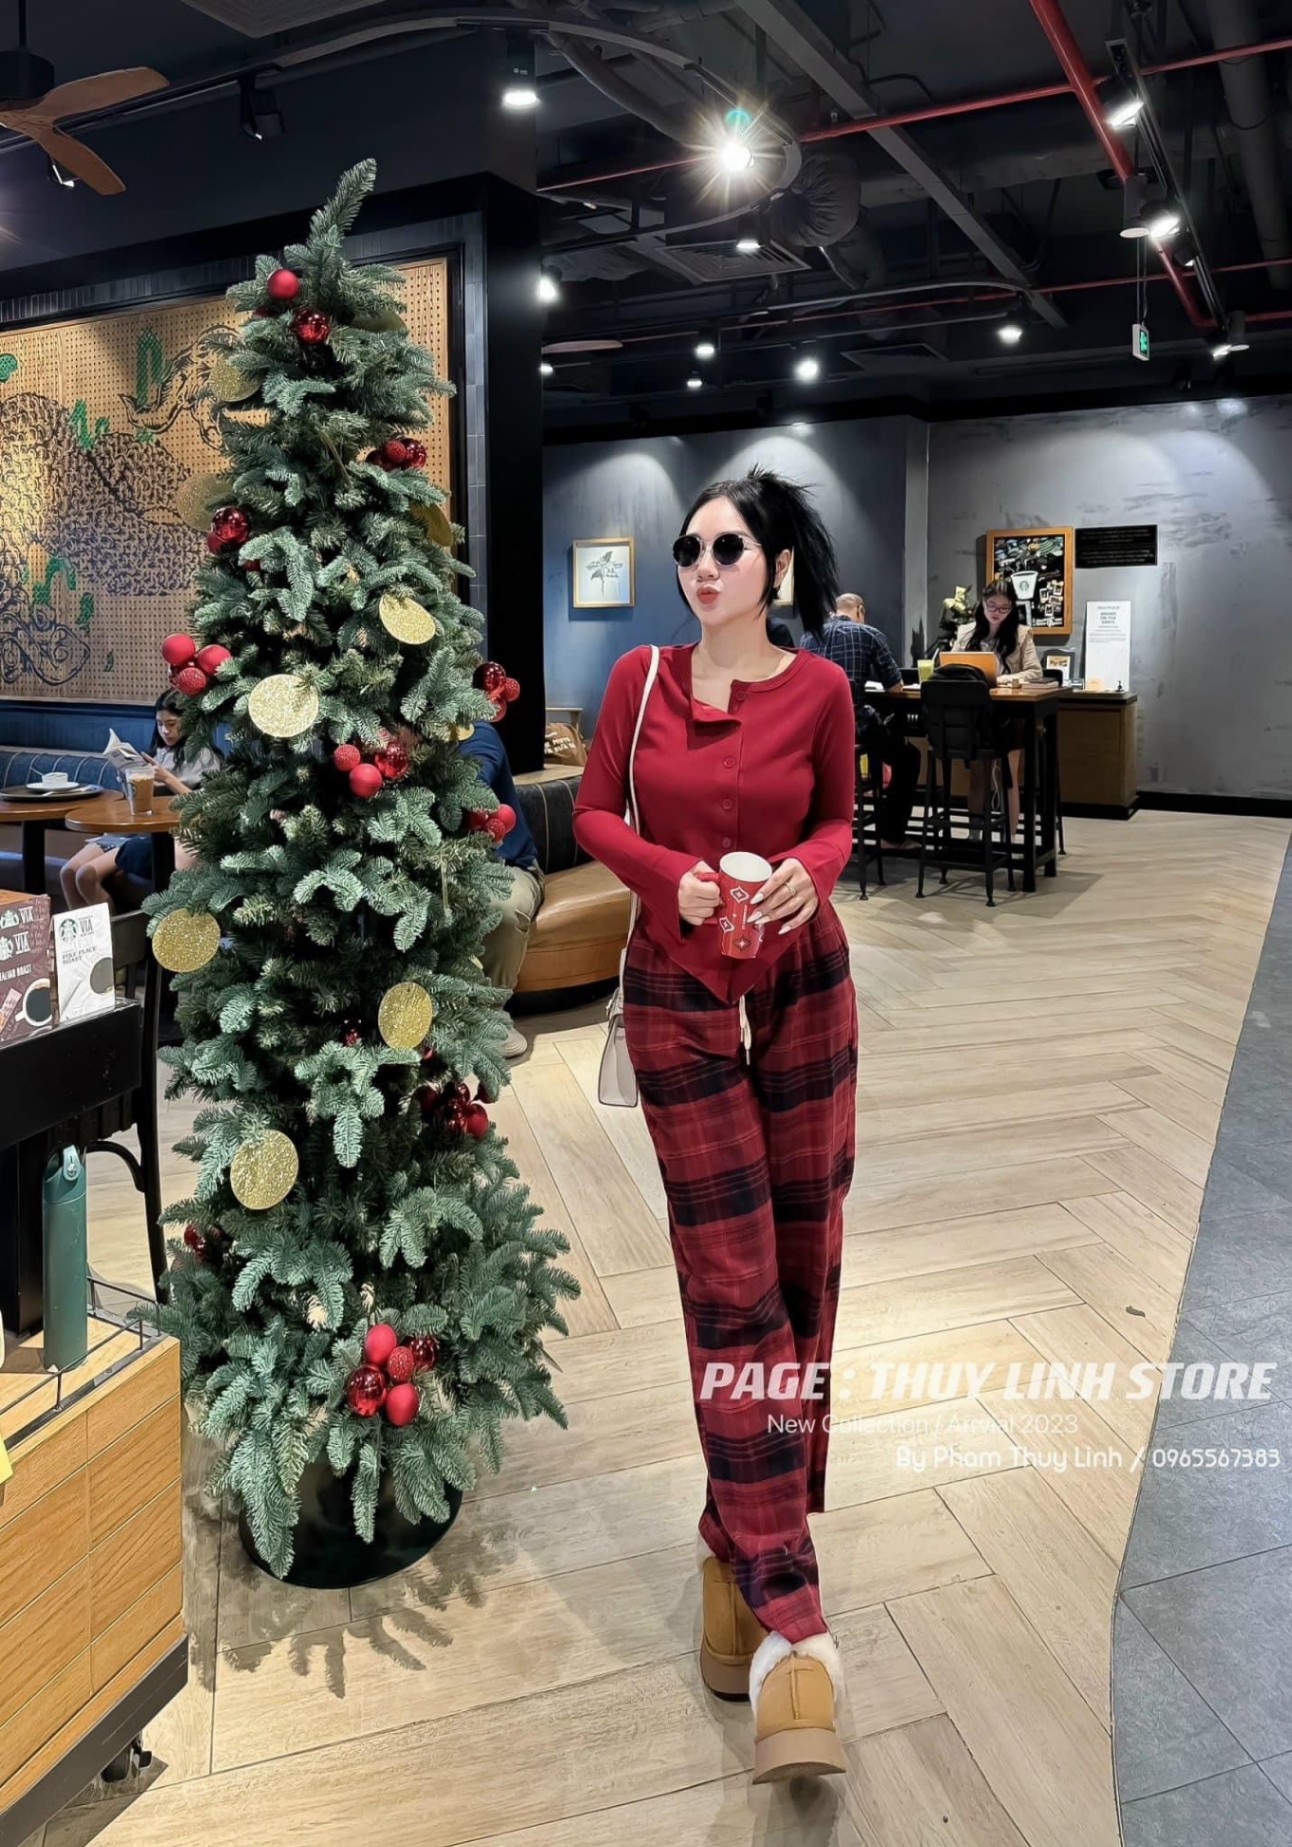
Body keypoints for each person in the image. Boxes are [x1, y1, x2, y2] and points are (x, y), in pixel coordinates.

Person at [573, 467, 857, 1784]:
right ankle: (792, 1614)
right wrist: (668, 878)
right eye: (688, 546)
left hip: (804, 979)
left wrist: (809, 869)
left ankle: (730, 1533)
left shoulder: (824, 691)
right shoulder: (637, 682)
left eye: (726, 547)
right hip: (674, 989)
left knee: (804, 1268)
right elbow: (592, 812)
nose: (699, 565)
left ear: (774, 566)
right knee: (730, 1279)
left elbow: (840, 816)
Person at [60, 691, 218, 910]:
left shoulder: (205, 757)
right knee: (68, 872)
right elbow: (135, 802)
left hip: (162, 834)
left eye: (171, 724)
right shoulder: (158, 753)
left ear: (189, 721)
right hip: (134, 828)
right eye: (160, 724)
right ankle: (80, 932)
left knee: (85, 876)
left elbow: (206, 805)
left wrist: (168, 779)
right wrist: (128, 778)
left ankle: (112, 930)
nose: (165, 731)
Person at [801, 589, 921, 850]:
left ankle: (817, 833)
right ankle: (890, 835)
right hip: (855, 727)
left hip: (815, 731)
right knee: (909, 758)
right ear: (860, 611)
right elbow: (895, 687)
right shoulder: (869, 634)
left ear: (834, 611)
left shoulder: (808, 637)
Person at [458, 722, 544, 1059]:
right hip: (434, 871)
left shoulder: (475, 731)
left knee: (503, 909)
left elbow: (474, 781)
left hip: (506, 865)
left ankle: (490, 1012)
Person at [954, 577, 1042, 835]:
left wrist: (1001, 679)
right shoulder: (966, 633)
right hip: (976, 714)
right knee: (977, 774)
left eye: (1004, 608)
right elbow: (951, 665)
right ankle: (974, 836)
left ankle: (1009, 838)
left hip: (1010, 714)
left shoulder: (1021, 634)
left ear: (1012, 608)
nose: (996, 612)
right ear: (983, 603)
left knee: (1008, 776)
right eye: (992, 606)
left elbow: (1034, 671)